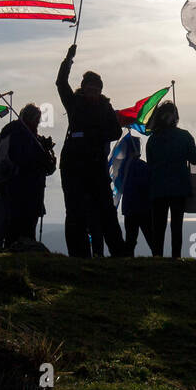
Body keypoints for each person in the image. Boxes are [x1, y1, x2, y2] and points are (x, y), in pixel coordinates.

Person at [56, 44, 126, 257]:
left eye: (97, 89)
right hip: (73, 164)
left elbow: (115, 132)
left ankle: (118, 253)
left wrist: (92, 135)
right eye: (90, 89)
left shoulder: (106, 108)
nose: (94, 93)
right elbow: (61, 83)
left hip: (95, 164)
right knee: (75, 211)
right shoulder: (74, 103)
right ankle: (78, 254)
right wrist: (68, 59)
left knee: (105, 210)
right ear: (84, 88)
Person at [0, 104, 57, 250]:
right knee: (24, 235)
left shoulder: (8, 133)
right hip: (30, 195)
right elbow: (49, 168)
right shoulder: (37, 142)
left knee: (1, 232)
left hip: (6, 190)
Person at [146, 102, 196, 258]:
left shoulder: (153, 139)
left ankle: (157, 256)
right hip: (179, 186)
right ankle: (176, 256)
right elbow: (195, 158)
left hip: (158, 187)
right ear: (175, 117)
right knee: (177, 224)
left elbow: (150, 163)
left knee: (158, 225)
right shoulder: (185, 136)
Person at [116, 134, 157, 256]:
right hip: (144, 207)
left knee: (130, 238)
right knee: (151, 237)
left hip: (129, 207)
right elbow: (148, 183)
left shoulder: (123, 167)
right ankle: (157, 256)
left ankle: (128, 258)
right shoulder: (142, 166)